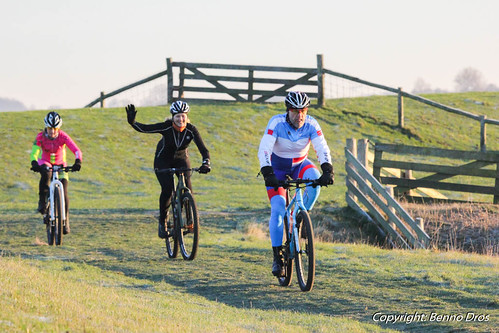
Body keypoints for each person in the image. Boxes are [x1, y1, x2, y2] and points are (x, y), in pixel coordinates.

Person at [257, 91, 334, 277]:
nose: (299, 115)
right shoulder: (276, 123)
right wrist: (268, 173)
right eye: (295, 111)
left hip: (300, 164)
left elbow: (322, 147)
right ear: (288, 110)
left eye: (303, 111)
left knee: (314, 180)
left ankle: (300, 218)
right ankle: (277, 257)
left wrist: (328, 170)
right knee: (277, 210)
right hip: (277, 169)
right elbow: (264, 149)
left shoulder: (311, 124)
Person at [125, 101, 211, 239]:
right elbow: (145, 128)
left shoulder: (191, 129)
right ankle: (163, 222)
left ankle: (190, 220)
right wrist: (132, 122)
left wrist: (206, 163)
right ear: (173, 117)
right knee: (167, 190)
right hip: (163, 160)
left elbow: (204, 149)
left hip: (182, 159)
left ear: (186, 117)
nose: (180, 119)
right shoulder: (166, 127)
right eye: (177, 117)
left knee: (188, 187)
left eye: (183, 116)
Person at [30, 111, 82, 234]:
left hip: (61, 165)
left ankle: (66, 220)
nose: (52, 132)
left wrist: (78, 162)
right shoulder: (40, 137)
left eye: (55, 129)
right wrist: (34, 163)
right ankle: (42, 201)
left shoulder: (63, 136)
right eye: (49, 128)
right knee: (46, 175)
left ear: (58, 128)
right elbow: (34, 152)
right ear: (46, 127)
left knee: (64, 191)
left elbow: (76, 150)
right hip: (45, 163)